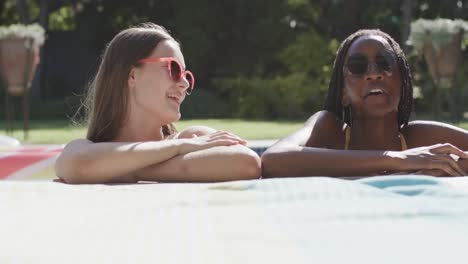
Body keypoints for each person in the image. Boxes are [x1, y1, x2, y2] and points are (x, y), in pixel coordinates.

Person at [55, 22, 261, 184]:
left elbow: (246, 162)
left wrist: (119, 167)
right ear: (132, 76)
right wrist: (176, 150)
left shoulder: (192, 137)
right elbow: (77, 165)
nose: (184, 83)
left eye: (186, 74)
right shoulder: (85, 148)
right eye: (173, 69)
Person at [262, 29, 468, 178]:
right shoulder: (330, 131)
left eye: (385, 63)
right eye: (357, 66)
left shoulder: (420, 138)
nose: (373, 74)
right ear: (343, 92)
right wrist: (398, 160)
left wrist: (448, 167)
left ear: (403, 84)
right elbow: (273, 159)